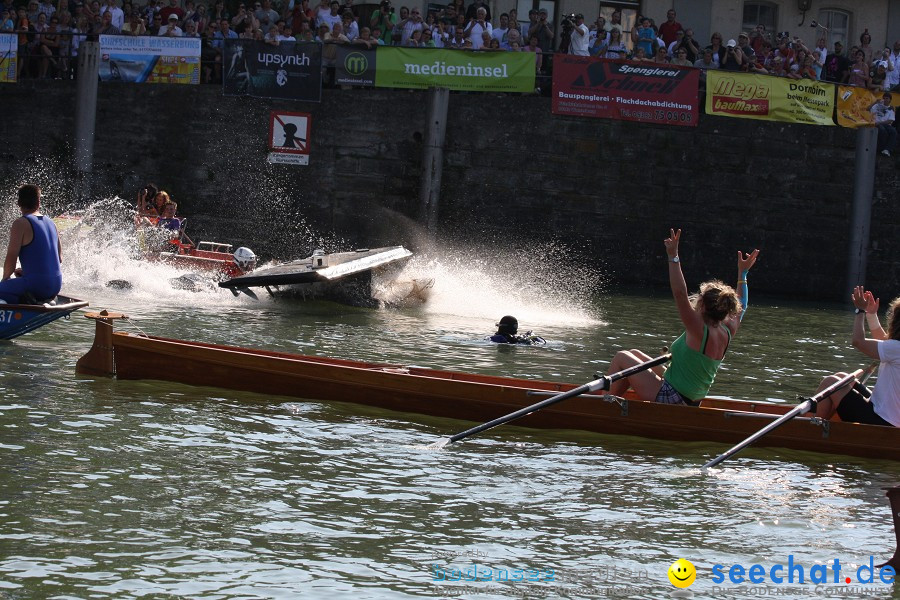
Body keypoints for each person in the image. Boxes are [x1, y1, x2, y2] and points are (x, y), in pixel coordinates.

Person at [602, 229, 759, 405]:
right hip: (689, 397)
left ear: (704, 305)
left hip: (673, 398)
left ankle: (599, 406)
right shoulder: (729, 328)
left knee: (622, 357)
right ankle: (614, 399)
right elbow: (742, 305)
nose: (696, 298)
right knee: (634, 354)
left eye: (700, 296)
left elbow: (679, 293)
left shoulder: (698, 328)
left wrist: (673, 256)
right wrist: (743, 274)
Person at [812, 287, 900, 427]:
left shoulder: (896, 349)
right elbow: (885, 343)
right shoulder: (895, 348)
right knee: (842, 377)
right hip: (886, 415)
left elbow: (858, 342)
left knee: (830, 383)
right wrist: (871, 315)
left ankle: (809, 430)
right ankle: (820, 423)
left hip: (883, 423)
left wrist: (860, 311)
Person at [0, 184, 62, 305]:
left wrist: (4, 281)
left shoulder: (20, 223)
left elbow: (11, 257)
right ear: (39, 202)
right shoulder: (52, 223)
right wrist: (27, 272)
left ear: (18, 203)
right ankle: (49, 299)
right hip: (56, 285)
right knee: (27, 283)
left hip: (37, 285)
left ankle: (29, 300)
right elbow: (59, 259)